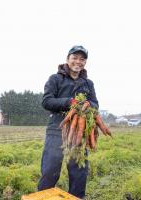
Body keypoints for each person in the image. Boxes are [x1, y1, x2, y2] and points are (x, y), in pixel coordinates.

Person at [37, 45, 99, 199]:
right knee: (50, 169)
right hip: (57, 129)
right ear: (67, 59)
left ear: (85, 62)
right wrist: (70, 102)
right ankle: (43, 197)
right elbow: (46, 101)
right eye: (75, 58)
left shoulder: (88, 84)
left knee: (79, 171)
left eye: (82, 59)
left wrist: (88, 105)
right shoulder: (55, 79)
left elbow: (95, 104)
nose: (78, 61)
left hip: (79, 132)